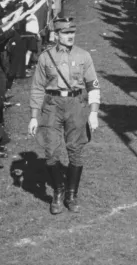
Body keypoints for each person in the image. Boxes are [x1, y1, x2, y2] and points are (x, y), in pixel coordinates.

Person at [28, 16, 100, 215]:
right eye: (66, 33)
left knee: (75, 149)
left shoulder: (84, 56)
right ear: (56, 34)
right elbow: (37, 88)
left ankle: (71, 194)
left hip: (76, 104)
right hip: (52, 105)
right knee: (51, 150)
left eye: (72, 32)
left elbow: (93, 85)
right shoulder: (45, 57)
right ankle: (58, 191)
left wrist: (93, 112)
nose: (70, 36)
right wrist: (34, 115)